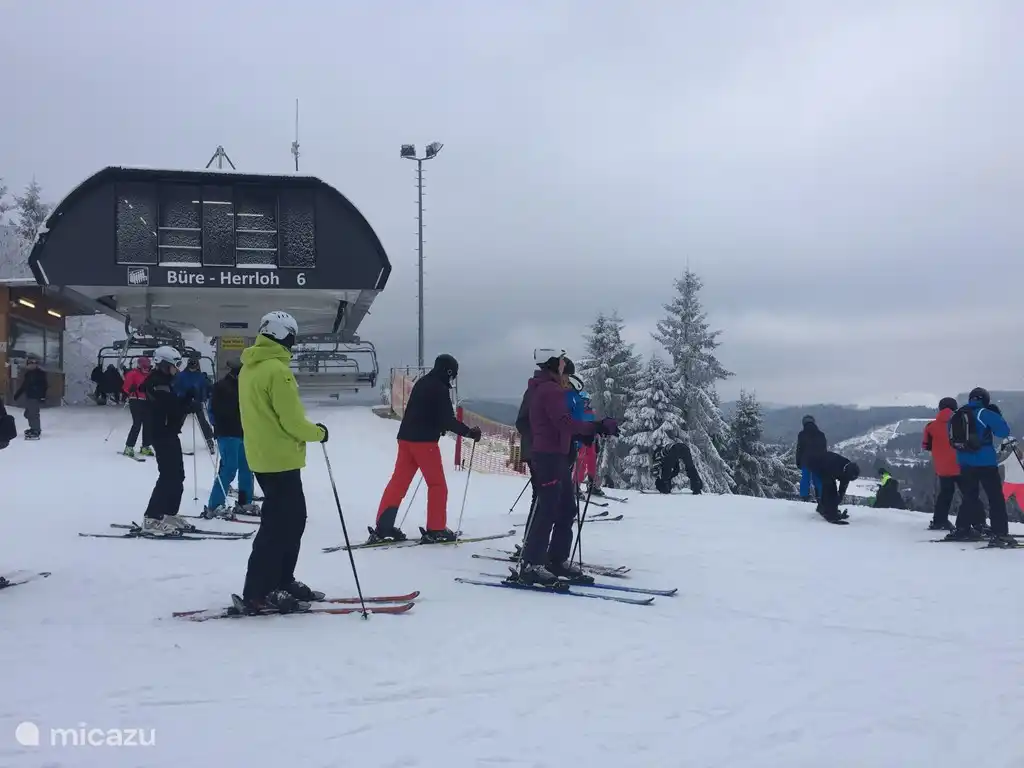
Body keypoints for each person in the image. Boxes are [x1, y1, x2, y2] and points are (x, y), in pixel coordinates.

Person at [239, 311, 329, 613]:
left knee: (289, 522)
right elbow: (291, 420)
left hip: (264, 458)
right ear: (283, 336)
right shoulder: (277, 371)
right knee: (280, 527)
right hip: (280, 459)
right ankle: (261, 589)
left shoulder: (250, 368)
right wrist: (318, 433)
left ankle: (281, 579)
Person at [516, 350, 618, 586]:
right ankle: (532, 563)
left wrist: (588, 432)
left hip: (557, 455)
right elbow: (563, 422)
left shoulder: (551, 389)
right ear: (556, 367)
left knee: (565, 508)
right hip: (548, 456)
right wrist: (595, 427)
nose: (566, 371)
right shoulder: (549, 390)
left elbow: (564, 425)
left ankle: (556, 559)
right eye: (563, 365)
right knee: (548, 508)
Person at [371, 353, 481, 544]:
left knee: (398, 483)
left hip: (405, 439)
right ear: (448, 371)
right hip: (424, 443)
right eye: (452, 375)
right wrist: (469, 433)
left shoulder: (423, 383)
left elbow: (426, 412)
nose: (452, 379)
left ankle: (384, 527)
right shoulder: (439, 388)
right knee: (437, 485)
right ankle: (436, 529)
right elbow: (446, 419)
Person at [945, 387, 1016, 547]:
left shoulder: (956, 415)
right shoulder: (983, 413)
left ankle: (962, 529)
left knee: (969, 497)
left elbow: (950, 435)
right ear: (985, 399)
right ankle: (1000, 533)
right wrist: (996, 415)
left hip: (964, 463)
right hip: (985, 463)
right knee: (995, 498)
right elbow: (1003, 431)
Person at [140, 347, 195, 535]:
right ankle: (152, 517)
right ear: (164, 364)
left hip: (169, 433)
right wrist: (187, 404)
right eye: (175, 365)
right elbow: (170, 408)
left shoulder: (165, 381)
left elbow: (174, 405)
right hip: (161, 434)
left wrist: (187, 400)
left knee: (178, 474)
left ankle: (169, 512)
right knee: (168, 475)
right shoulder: (157, 383)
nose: (177, 369)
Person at [203, 359, 258, 519]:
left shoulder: (246, 386)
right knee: (229, 468)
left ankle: (244, 502)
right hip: (228, 433)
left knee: (247, 468)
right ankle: (214, 505)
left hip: (243, 433)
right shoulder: (222, 387)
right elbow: (215, 411)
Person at [922, 397, 961, 531]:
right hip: (961, 465)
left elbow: (926, 446)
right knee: (969, 494)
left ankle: (939, 521)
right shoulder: (960, 423)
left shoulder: (930, 426)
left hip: (942, 467)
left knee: (945, 493)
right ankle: (974, 523)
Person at [174, 357, 215, 453]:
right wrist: (182, 395)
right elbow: (176, 387)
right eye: (191, 366)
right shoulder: (181, 375)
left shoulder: (200, 376)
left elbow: (206, 387)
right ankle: (172, 438)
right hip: (184, 402)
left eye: (195, 366)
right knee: (178, 421)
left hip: (196, 402)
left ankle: (209, 440)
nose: (193, 368)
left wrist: (208, 393)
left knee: (203, 421)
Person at [806, 450, 860, 522]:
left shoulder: (849, 471)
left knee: (834, 495)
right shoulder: (834, 465)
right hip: (816, 464)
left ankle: (825, 509)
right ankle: (827, 511)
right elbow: (828, 489)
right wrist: (832, 515)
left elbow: (843, 487)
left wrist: (839, 498)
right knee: (830, 490)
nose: (847, 480)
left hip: (827, 467)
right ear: (845, 471)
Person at [122, 357, 154, 458]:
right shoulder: (133, 373)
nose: (146, 369)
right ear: (139, 366)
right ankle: (129, 446)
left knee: (148, 424)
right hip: (135, 400)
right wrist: (130, 389)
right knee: (137, 424)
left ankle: (145, 446)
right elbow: (125, 388)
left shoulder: (150, 375)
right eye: (144, 367)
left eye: (148, 367)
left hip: (147, 401)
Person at [573, 392, 602, 495]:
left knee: (592, 464)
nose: (584, 403)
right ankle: (575, 486)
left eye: (586, 401)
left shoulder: (591, 413)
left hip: (591, 443)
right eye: (583, 401)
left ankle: (592, 485)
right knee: (581, 464)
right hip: (581, 442)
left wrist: (598, 439)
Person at [13, 356, 47, 439]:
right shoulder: (28, 374)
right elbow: (24, 385)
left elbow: (44, 385)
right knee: (28, 413)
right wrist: (18, 394)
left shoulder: (40, 374)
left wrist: (42, 396)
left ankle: (36, 429)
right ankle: (33, 427)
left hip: (36, 396)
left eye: (34, 363)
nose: (32, 365)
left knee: (33, 414)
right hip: (29, 395)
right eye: (30, 363)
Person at [795, 415, 826, 501]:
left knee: (805, 479)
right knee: (818, 479)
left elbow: (799, 449)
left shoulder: (802, 434)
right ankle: (820, 497)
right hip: (818, 461)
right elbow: (824, 449)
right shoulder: (821, 435)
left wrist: (798, 461)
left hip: (806, 460)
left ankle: (804, 497)